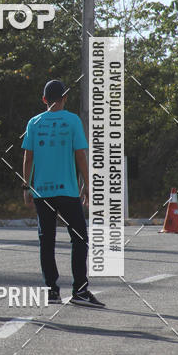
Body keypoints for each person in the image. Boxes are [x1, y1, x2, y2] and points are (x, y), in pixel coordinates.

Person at [22, 79, 105, 307]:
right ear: (65, 98)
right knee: (79, 239)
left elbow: (28, 158)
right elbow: (80, 155)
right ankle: (79, 291)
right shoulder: (72, 121)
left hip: (42, 192)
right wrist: (88, 185)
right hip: (67, 191)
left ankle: (51, 291)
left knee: (46, 240)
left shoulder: (34, 122)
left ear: (44, 99)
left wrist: (26, 186)